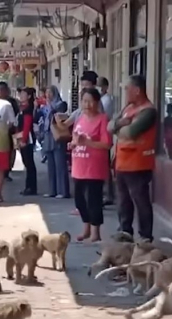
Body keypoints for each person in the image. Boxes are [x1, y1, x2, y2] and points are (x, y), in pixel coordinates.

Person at [109, 74, 158, 242]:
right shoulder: (128, 108)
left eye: (127, 89)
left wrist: (120, 126)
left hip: (139, 163)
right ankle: (125, 231)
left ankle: (145, 236)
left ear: (137, 90)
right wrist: (120, 124)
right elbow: (110, 126)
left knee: (140, 200)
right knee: (123, 201)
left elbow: (131, 132)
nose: (125, 92)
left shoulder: (148, 111)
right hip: (122, 162)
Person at [71, 88, 112, 243]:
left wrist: (87, 142)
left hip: (94, 167)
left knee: (94, 200)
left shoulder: (102, 119)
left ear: (97, 102)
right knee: (79, 201)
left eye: (90, 101)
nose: (86, 105)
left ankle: (96, 232)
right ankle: (86, 228)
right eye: (84, 101)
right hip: (79, 165)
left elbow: (107, 144)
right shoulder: (80, 119)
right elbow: (76, 139)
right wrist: (73, 144)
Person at [41, 86, 71, 198]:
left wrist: (49, 104)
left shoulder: (60, 104)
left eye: (50, 93)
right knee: (51, 165)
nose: (48, 95)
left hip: (57, 135)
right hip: (48, 136)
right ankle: (52, 190)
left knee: (60, 164)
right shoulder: (46, 106)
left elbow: (57, 111)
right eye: (47, 93)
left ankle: (63, 191)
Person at [98, 76, 116, 206]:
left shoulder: (107, 100)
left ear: (104, 87)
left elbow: (103, 116)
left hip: (104, 135)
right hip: (98, 136)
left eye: (99, 85)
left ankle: (108, 194)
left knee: (105, 166)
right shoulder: (100, 99)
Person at [0, 81, 20, 181]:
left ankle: (6, 172)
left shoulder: (12, 102)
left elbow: (16, 116)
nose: (0, 92)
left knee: (9, 151)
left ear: (7, 91)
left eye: (2, 89)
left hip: (10, 131)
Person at [16, 88, 37, 196]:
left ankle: (31, 187)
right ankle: (29, 186)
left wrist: (23, 140)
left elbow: (27, 125)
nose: (21, 95)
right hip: (22, 138)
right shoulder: (22, 107)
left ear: (29, 96)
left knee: (29, 163)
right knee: (27, 163)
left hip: (27, 139)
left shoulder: (28, 109)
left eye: (23, 94)